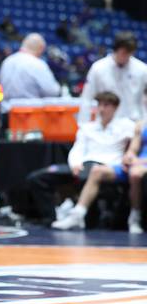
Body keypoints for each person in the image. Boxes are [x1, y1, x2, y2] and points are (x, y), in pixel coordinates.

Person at [26, 92, 135, 228]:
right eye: (99, 105)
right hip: (82, 165)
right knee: (37, 178)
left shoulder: (127, 126)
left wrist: (129, 155)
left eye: (106, 105)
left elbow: (135, 145)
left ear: (115, 107)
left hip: (107, 166)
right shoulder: (87, 127)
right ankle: (51, 218)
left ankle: (79, 215)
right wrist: (75, 164)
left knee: (91, 173)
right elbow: (77, 149)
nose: (101, 109)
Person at [79, 31, 147, 123]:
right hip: (105, 124)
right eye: (124, 52)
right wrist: (82, 126)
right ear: (116, 49)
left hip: (134, 123)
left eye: (130, 53)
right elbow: (86, 99)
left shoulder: (142, 69)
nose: (126, 56)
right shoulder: (98, 68)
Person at [0, 33, 61, 119]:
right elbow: (52, 91)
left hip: (6, 113)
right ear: (41, 49)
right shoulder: (37, 64)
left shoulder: (7, 61)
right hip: (30, 115)